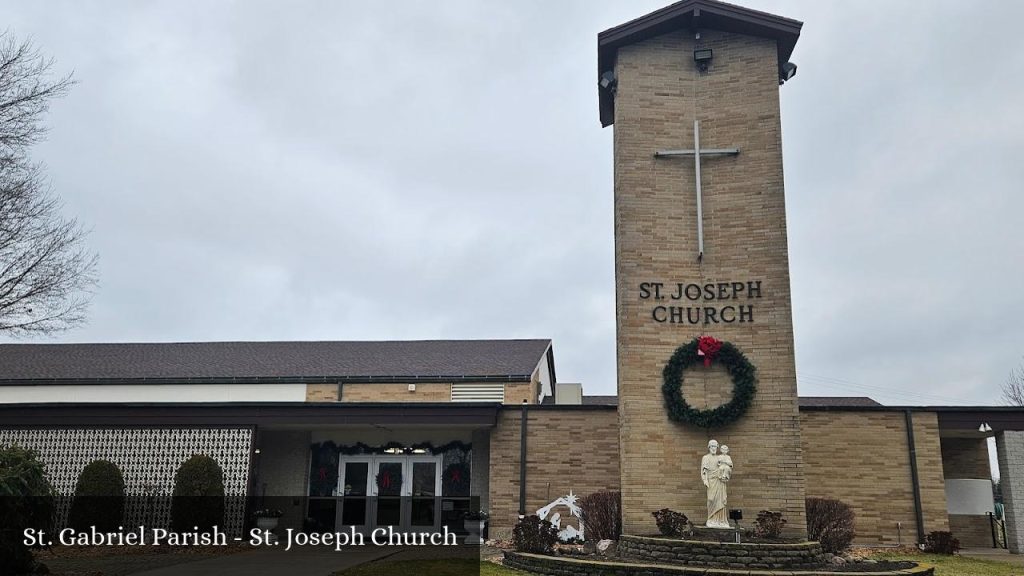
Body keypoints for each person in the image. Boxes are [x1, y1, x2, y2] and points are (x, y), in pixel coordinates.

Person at [700, 439, 730, 529]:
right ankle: (711, 519)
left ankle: (721, 520)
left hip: (720, 481)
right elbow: (703, 470)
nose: (713, 448)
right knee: (711, 499)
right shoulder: (705, 457)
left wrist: (726, 474)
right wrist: (705, 480)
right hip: (711, 481)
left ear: (717, 447)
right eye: (712, 446)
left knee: (721, 500)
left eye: (715, 446)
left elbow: (726, 467)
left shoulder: (719, 457)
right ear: (709, 447)